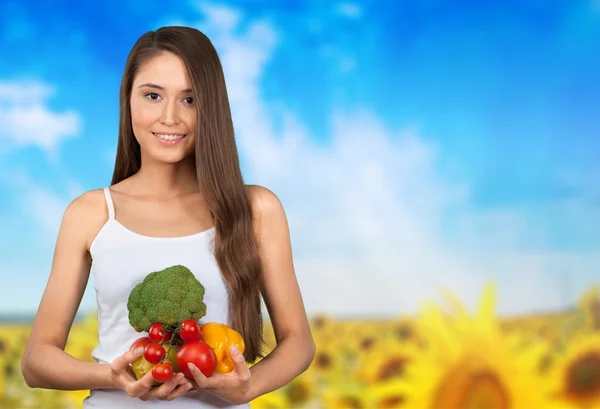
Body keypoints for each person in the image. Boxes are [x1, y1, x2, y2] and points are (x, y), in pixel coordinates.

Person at [20, 26, 316, 408]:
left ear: (212, 107)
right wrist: (112, 376)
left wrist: (251, 386)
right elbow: (36, 362)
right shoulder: (91, 213)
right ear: (129, 101)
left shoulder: (256, 209)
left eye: (190, 99)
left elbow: (299, 342)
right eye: (153, 95)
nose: (170, 117)